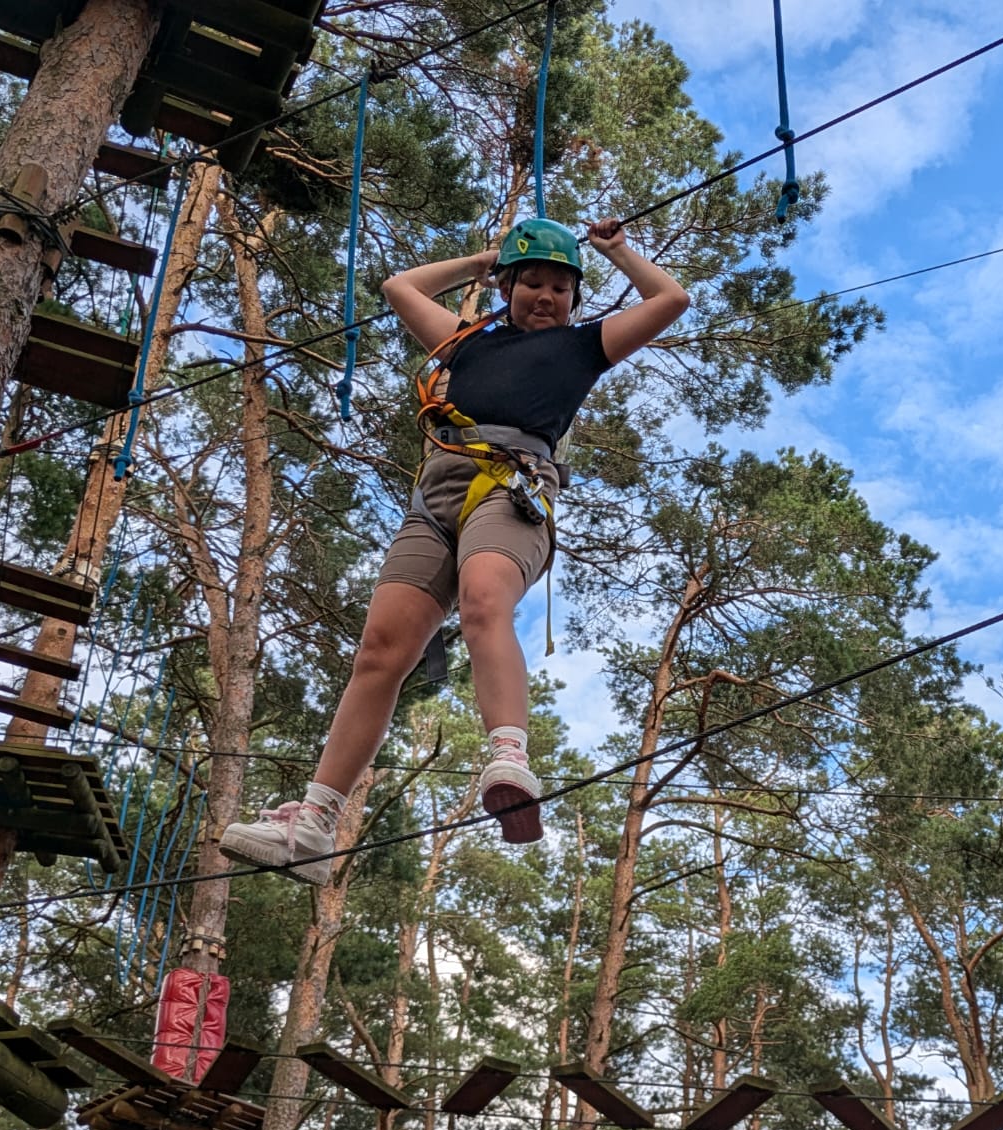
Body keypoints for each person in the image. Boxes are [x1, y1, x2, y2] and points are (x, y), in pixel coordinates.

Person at [219, 216, 689, 883]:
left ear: (575, 300)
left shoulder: (585, 346)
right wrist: (480, 262)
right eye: (532, 282)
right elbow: (400, 287)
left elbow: (670, 299)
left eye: (561, 287)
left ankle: (509, 755)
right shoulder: (467, 343)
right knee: (381, 649)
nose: (546, 296)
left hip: (511, 480)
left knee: (483, 600)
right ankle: (316, 820)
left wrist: (616, 250)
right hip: (436, 491)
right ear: (507, 287)